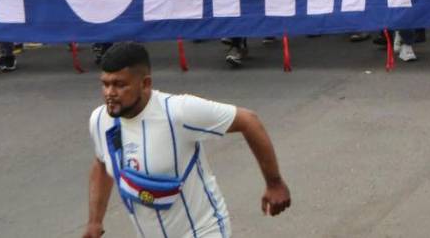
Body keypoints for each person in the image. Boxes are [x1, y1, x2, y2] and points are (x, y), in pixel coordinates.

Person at [84, 42, 291, 238]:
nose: (110, 93)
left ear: (145, 84)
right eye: (105, 84)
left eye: (119, 85)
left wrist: (274, 182)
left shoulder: (178, 112)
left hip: (202, 230)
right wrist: (94, 221)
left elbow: (249, 121)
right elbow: (102, 164)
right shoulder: (101, 120)